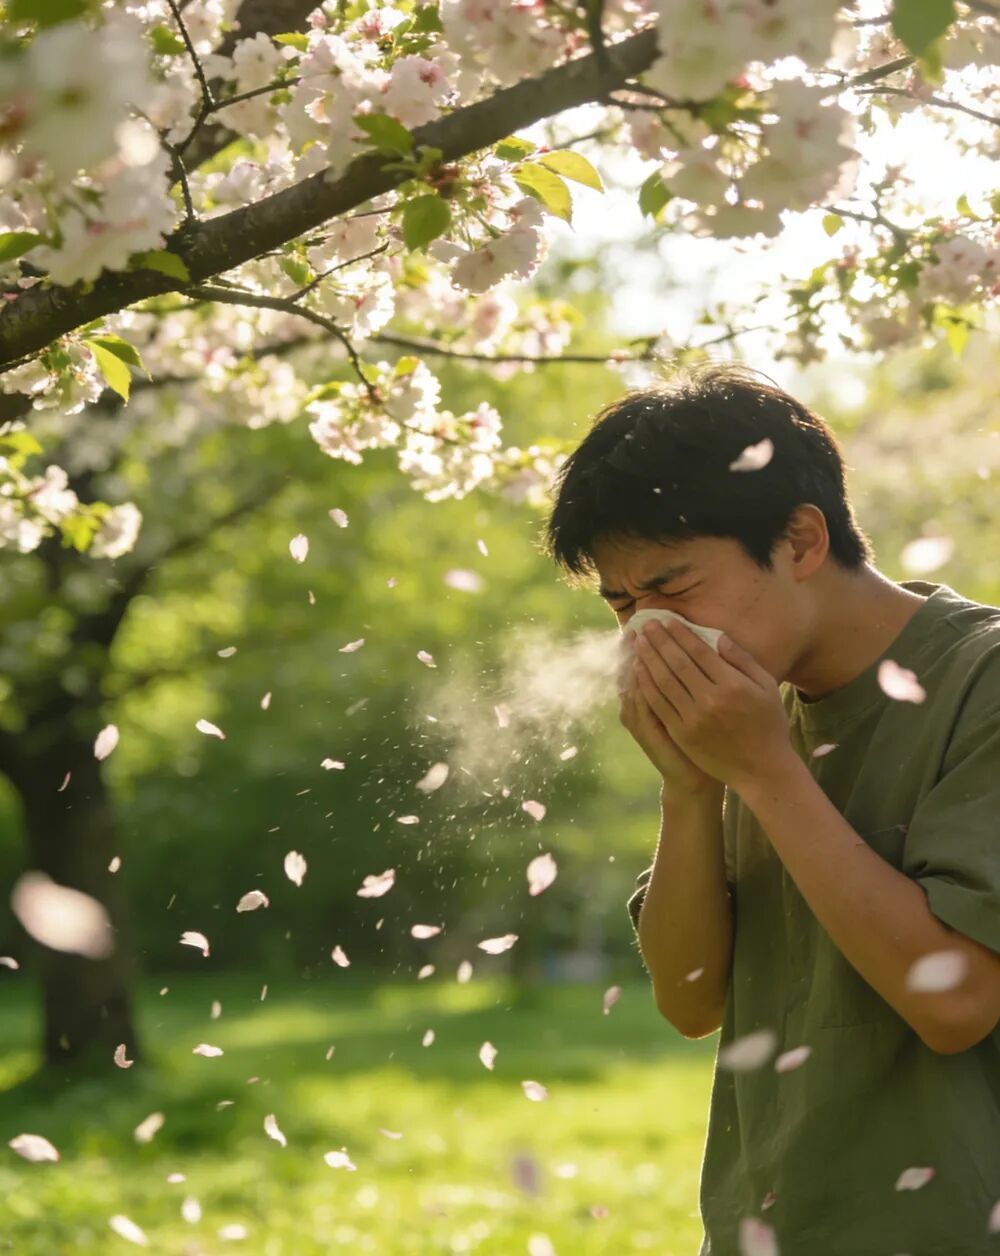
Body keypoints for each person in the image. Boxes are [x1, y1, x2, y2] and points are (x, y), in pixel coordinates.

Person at [542, 363, 1000, 1254]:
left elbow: (958, 1004)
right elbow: (689, 1000)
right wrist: (689, 787)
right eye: (622, 605)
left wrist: (767, 774)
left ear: (799, 540)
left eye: (670, 590)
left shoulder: (982, 683)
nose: (647, 633)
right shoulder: (752, 715)